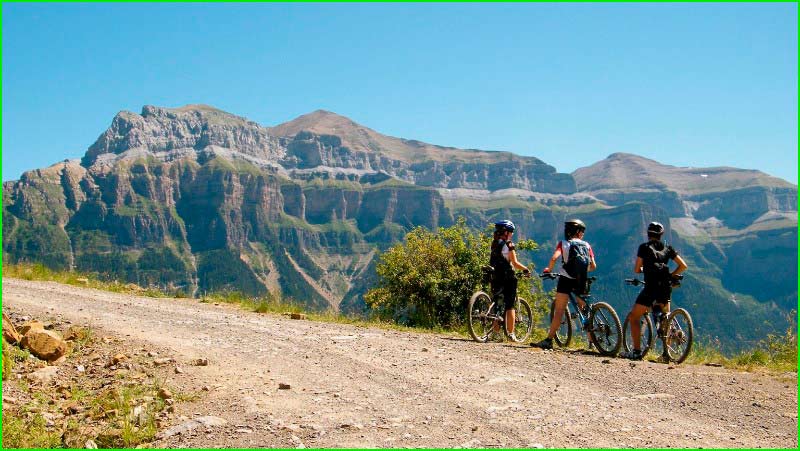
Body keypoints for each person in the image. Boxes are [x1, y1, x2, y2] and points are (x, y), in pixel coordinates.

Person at [620, 221, 688, 360]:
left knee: (634, 317)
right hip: (665, 287)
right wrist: (670, 275)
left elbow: (637, 269)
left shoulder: (644, 247)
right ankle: (666, 355)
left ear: (648, 233)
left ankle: (637, 352)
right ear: (661, 234)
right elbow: (683, 266)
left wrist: (646, 269)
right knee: (665, 318)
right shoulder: (668, 248)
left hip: (651, 288)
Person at [531, 219, 596, 349]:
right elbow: (593, 266)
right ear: (578, 232)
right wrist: (581, 271)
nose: (582, 234)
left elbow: (554, 258)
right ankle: (593, 343)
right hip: (581, 279)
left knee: (559, 310)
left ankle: (549, 340)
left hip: (565, 279)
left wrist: (548, 270)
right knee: (584, 310)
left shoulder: (564, 244)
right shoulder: (587, 245)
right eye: (582, 231)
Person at [489, 220, 531, 341]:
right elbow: (515, 263)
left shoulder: (494, 243)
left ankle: (495, 333)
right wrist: (526, 269)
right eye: (511, 232)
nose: (512, 234)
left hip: (495, 276)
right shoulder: (509, 245)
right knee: (510, 305)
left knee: (497, 303)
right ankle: (511, 333)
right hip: (508, 277)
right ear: (506, 232)